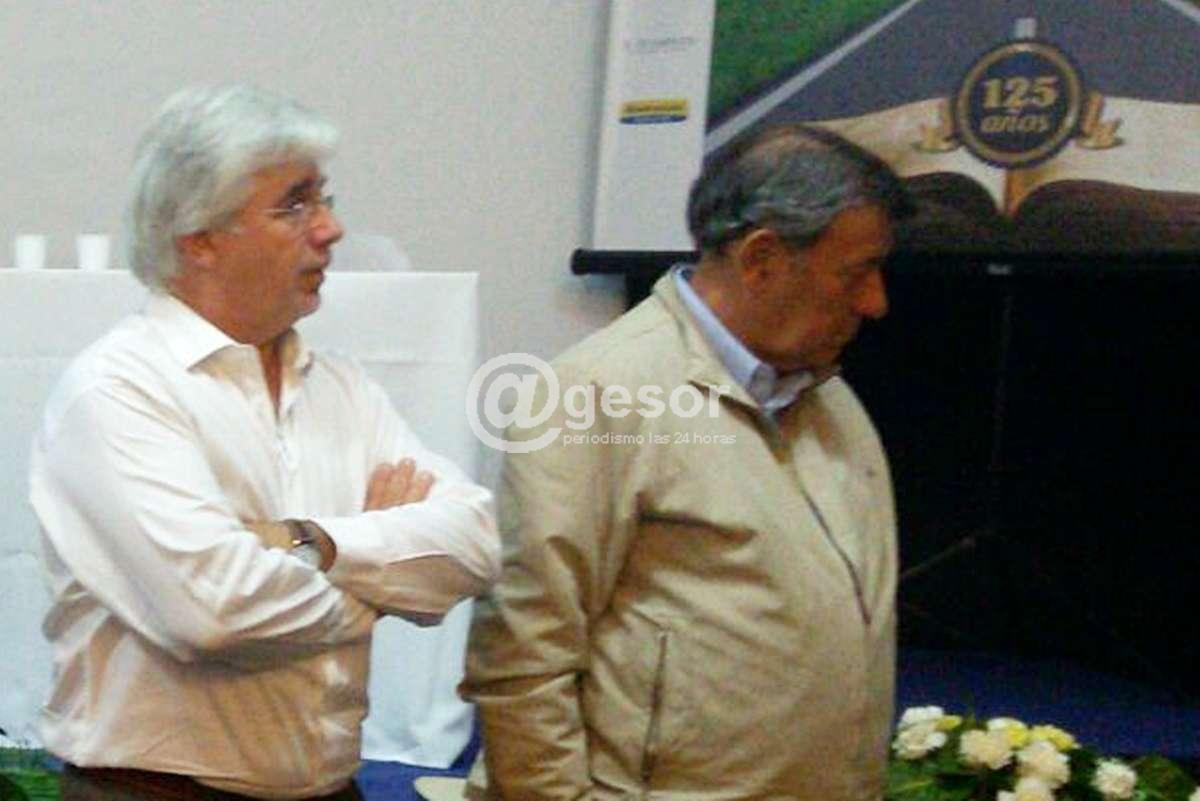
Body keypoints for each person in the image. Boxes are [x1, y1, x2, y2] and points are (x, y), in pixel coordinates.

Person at [30, 84, 500, 800]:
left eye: (324, 198)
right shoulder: (118, 391)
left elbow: (475, 542)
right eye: (294, 205)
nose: (331, 228)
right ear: (199, 239)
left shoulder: (342, 388)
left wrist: (310, 542)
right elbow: (216, 613)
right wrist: (381, 587)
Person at [461, 124, 912, 801]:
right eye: (854, 272)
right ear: (761, 259)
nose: (876, 302)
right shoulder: (596, 394)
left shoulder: (832, 400)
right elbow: (522, 655)